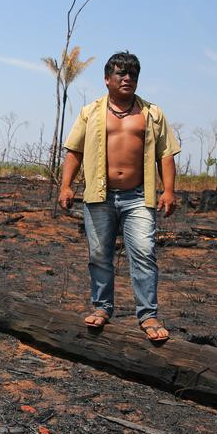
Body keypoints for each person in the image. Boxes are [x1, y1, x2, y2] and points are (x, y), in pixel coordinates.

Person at [59, 51, 180, 342]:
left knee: (143, 252)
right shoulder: (90, 112)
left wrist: (169, 190)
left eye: (133, 75)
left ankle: (148, 315)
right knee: (99, 254)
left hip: (138, 196)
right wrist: (66, 186)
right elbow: (74, 151)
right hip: (100, 195)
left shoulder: (152, 114)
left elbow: (166, 154)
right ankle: (102, 308)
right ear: (106, 79)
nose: (127, 79)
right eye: (120, 74)